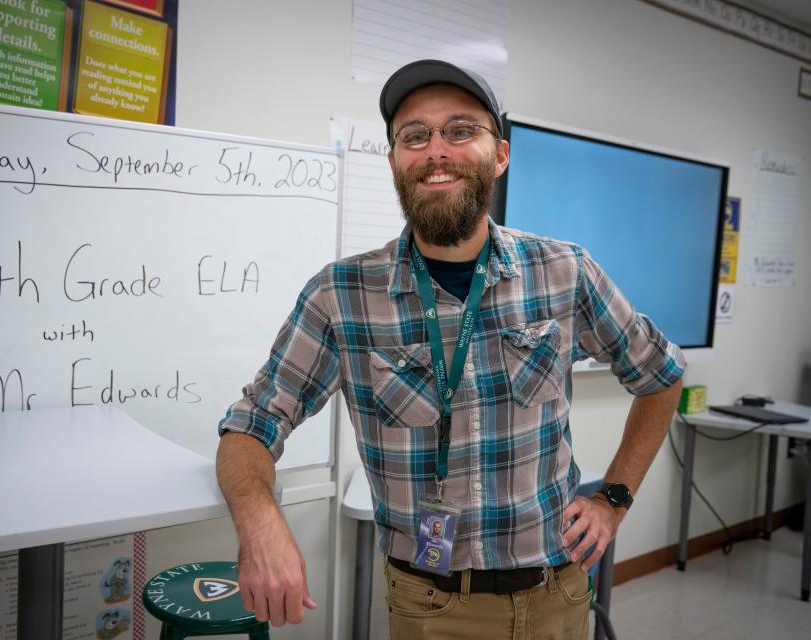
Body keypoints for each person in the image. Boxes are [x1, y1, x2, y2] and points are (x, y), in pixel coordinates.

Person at [215, 59, 684, 639]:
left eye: (461, 130)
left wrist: (613, 498)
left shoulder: (564, 272)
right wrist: (260, 522)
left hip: (558, 592)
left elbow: (660, 373)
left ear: (501, 155)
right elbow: (250, 426)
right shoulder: (342, 296)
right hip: (429, 605)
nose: (436, 150)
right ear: (394, 161)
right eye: (415, 136)